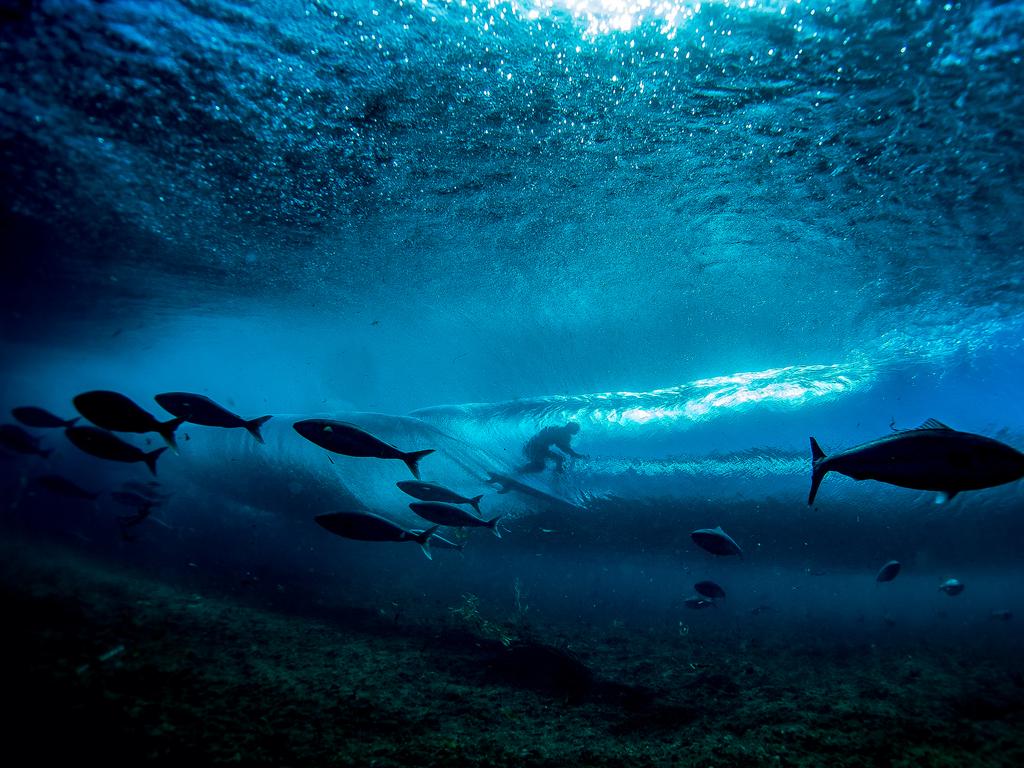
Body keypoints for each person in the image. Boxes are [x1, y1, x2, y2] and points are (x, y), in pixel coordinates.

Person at [518, 422, 586, 474]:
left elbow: (564, 447)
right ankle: (518, 472)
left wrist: (573, 453)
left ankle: (557, 477)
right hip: (536, 448)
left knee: (560, 459)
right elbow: (563, 447)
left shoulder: (560, 430)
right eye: (576, 430)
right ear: (571, 429)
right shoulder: (563, 433)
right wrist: (575, 454)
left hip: (534, 446)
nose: (577, 431)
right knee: (540, 467)